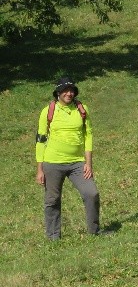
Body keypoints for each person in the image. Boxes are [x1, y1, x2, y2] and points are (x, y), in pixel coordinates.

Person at [35, 77, 101, 239]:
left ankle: (94, 232)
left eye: (71, 90)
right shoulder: (48, 111)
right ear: (58, 93)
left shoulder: (82, 109)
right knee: (52, 200)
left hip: (77, 163)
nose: (69, 93)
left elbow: (88, 136)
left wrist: (88, 164)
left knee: (91, 193)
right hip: (52, 163)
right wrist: (40, 169)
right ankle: (53, 237)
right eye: (65, 90)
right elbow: (41, 140)